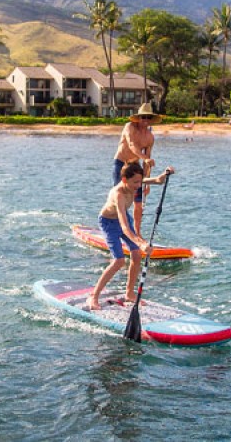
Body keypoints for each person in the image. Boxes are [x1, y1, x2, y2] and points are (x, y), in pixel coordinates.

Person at [86, 162, 174, 310]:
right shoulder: (118, 194)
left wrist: (166, 174)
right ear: (125, 180)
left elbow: (158, 180)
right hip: (109, 223)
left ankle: (129, 294)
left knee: (137, 255)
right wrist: (140, 242)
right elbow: (124, 227)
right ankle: (94, 296)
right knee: (119, 261)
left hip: (124, 219)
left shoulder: (134, 182)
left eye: (140, 181)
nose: (139, 186)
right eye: (136, 182)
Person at [112, 102, 161, 230]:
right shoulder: (129, 127)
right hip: (121, 163)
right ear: (138, 118)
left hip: (135, 167)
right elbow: (132, 145)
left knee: (138, 204)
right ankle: (119, 229)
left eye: (148, 117)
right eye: (143, 117)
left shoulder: (150, 137)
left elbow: (147, 163)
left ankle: (137, 233)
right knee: (120, 199)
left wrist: (147, 183)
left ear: (151, 120)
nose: (145, 120)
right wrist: (146, 158)